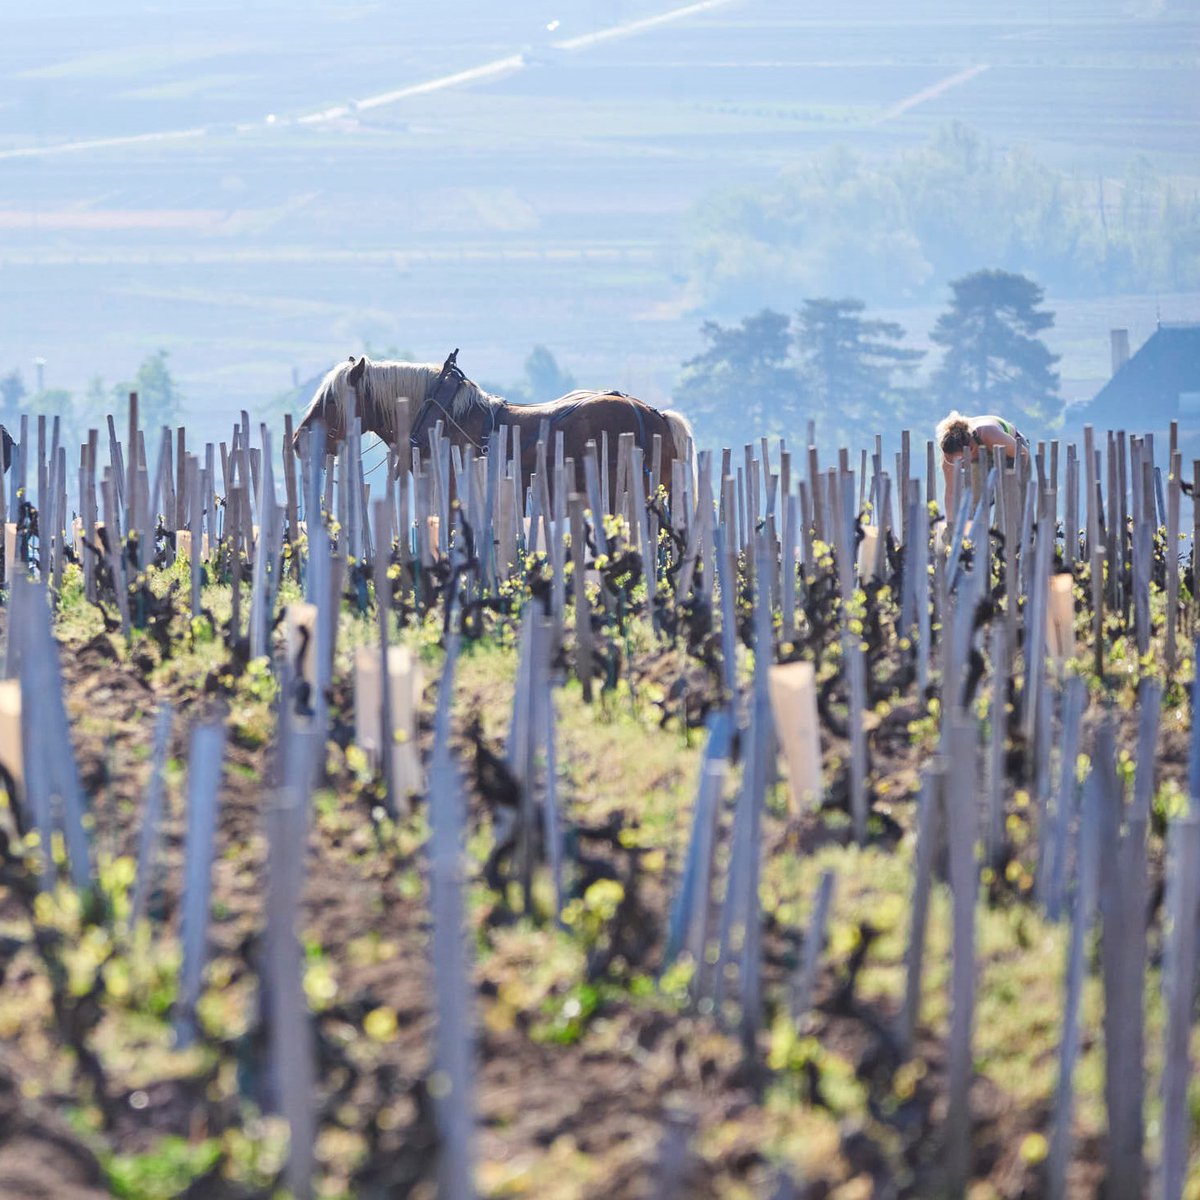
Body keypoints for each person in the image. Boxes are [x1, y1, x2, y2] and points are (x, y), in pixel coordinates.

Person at [936, 410, 1028, 516]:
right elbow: (950, 492)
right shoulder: (950, 453)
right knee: (975, 499)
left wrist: (1015, 483)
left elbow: (1023, 453)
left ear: (970, 449)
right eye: (951, 461)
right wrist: (950, 525)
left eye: (960, 462)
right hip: (982, 457)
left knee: (1008, 498)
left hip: (1012, 452)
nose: (957, 465)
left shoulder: (989, 434)